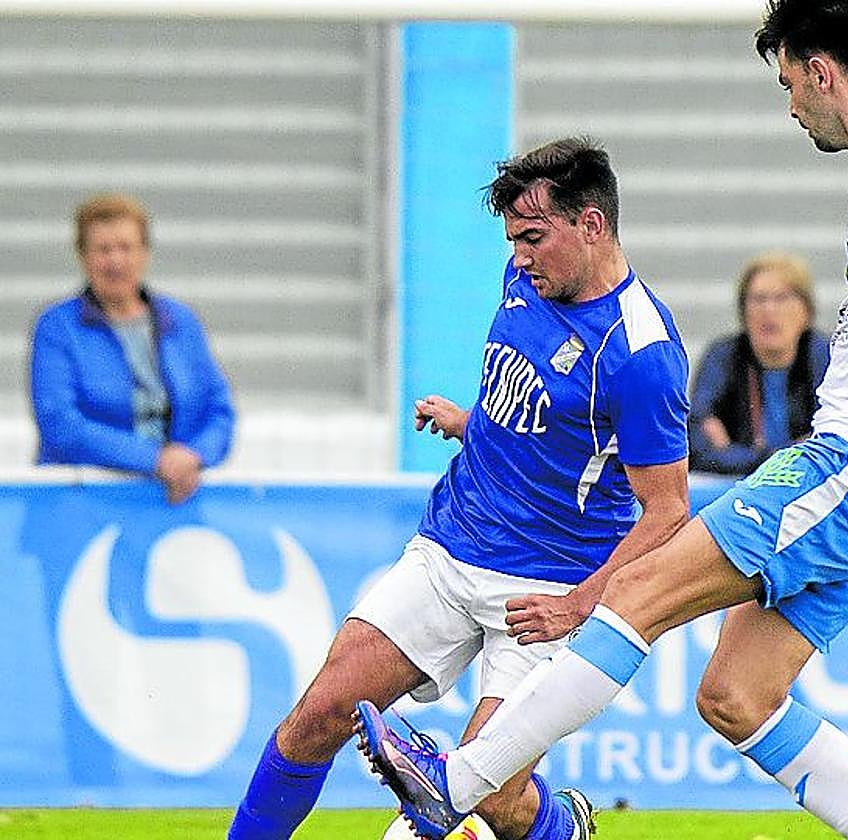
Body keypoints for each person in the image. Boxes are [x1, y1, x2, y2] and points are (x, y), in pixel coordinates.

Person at [358, 3, 848, 839]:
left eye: (787, 84)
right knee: (737, 696)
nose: (790, 108)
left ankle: (459, 781)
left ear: (821, 70)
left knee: (636, 590)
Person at [228, 137, 691, 840]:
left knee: (487, 799)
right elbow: (547, 414)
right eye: (513, 239)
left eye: (534, 237)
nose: (521, 254)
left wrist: (576, 608)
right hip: (451, 547)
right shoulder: (523, 278)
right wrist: (474, 422)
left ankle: (560, 826)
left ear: (591, 225)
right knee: (315, 719)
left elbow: (668, 512)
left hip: (544, 590)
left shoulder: (644, 354)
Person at [29, 193, 234, 505]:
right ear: (82, 257)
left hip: (170, 506)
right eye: (103, 249)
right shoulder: (57, 328)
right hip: (79, 510)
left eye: (126, 247)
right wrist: (155, 459)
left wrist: (195, 455)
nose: (115, 261)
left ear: (145, 253)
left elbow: (218, 410)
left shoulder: (181, 321)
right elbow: (61, 426)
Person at [689, 252, 831, 475]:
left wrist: (733, 453)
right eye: (758, 299)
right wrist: (788, 453)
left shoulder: (824, 355)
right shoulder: (724, 355)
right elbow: (699, 447)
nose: (769, 310)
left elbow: (834, 446)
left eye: (781, 298)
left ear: (806, 311)